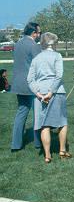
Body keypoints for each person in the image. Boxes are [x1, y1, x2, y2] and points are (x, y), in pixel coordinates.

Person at [27, 32, 71, 164]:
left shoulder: (36, 59)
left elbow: (30, 80)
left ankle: (47, 155)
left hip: (40, 94)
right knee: (62, 122)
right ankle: (62, 150)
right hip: (56, 92)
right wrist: (51, 92)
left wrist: (39, 94)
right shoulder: (57, 56)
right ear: (54, 44)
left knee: (44, 125)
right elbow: (59, 76)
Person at [10, 22, 42, 151]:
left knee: (21, 113)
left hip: (18, 84)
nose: (39, 35)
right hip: (31, 85)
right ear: (33, 33)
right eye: (38, 32)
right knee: (37, 114)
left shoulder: (17, 44)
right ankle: (38, 143)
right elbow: (39, 65)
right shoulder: (34, 45)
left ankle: (16, 144)